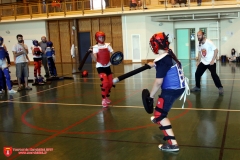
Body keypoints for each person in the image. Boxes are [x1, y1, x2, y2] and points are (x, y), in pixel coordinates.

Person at [147, 32, 187, 152]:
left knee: (160, 115)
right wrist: (153, 64)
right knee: (160, 112)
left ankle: (172, 144)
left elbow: (158, 82)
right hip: (179, 87)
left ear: (155, 45)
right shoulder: (169, 53)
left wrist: (151, 96)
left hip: (171, 89)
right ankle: (158, 116)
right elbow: (164, 63)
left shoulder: (163, 61)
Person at [191, 31, 223, 95]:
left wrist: (213, 60)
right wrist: (198, 61)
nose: (198, 37)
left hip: (211, 61)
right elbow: (200, 53)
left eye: (199, 35)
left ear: (203, 35)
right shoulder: (199, 44)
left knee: (213, 74)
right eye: (197, 35)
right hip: (203, 61)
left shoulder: (209, 42)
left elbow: (216, 50)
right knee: (197, 73)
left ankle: (220, 88)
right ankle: (197, 87)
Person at [90, 31, 114, 108]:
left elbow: (113, 54)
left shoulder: (108, 45)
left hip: (108, 66)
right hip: (100, 67)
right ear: (97, 38)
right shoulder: (95, 47)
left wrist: (117, 58)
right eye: (100, 37)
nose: (101, 38)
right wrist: (91, 53)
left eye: (103, 37)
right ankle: (103, 100)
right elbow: (95, 59)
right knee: (105, 83)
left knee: (110, 83)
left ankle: (106, 97)